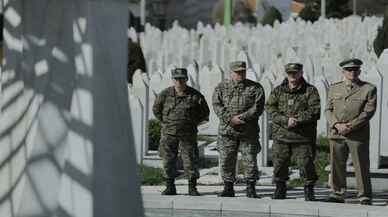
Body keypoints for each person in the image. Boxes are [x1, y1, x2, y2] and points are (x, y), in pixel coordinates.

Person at [325, 58, 377, 205]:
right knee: (337, 164)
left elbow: (368, 112)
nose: (352, 72)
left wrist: (350, 126)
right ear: (343, 72)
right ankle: (337, 193)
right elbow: (328, 110)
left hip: (357, 133)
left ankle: (364, 195)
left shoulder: (369, 88)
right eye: (349, 70)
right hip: (337, 133)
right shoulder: (334, 88)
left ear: (359, 71)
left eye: (355, 70)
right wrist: (336, 124)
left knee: (361, 165)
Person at [266, 63, 320, 201]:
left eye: (295, 73)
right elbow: (270, 108)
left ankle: (309, 189)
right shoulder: (278, 90)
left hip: (302, 136)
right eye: (290, 73)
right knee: (280, 163)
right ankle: (280, 188)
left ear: (301, 73)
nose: (293, 75)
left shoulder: (310, 90)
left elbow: (314, 111)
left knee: (306, 164)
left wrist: (296, 120)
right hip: (282, 135)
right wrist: (285, 120)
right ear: (286, 74)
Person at [152, 68, 210, 196]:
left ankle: (192, 187)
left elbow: (205, 113)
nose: (179, 82)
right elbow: (156, 109)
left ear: (186, 79)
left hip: (188, 134)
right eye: (177, 79)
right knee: (168, 160)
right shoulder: (165, 94)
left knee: (190, 160)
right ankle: (170, 186)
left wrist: (193, 122)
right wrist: (165, 122)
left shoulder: (195, 95)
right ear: (173, 80)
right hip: (169, 133)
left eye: (182, 79)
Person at [212, 61, 265, 198]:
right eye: (237, 72)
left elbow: (258, 107)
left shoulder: (255, 88)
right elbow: (217, 105)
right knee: (227, 159)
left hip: (248, 131)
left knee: (250, 160)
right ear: (231, 72)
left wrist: (242, 117)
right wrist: (230, 119)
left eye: (242, 71)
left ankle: (251, 187)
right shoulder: (221, 87)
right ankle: (228, 187)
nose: (240, 74)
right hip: (227, 131)